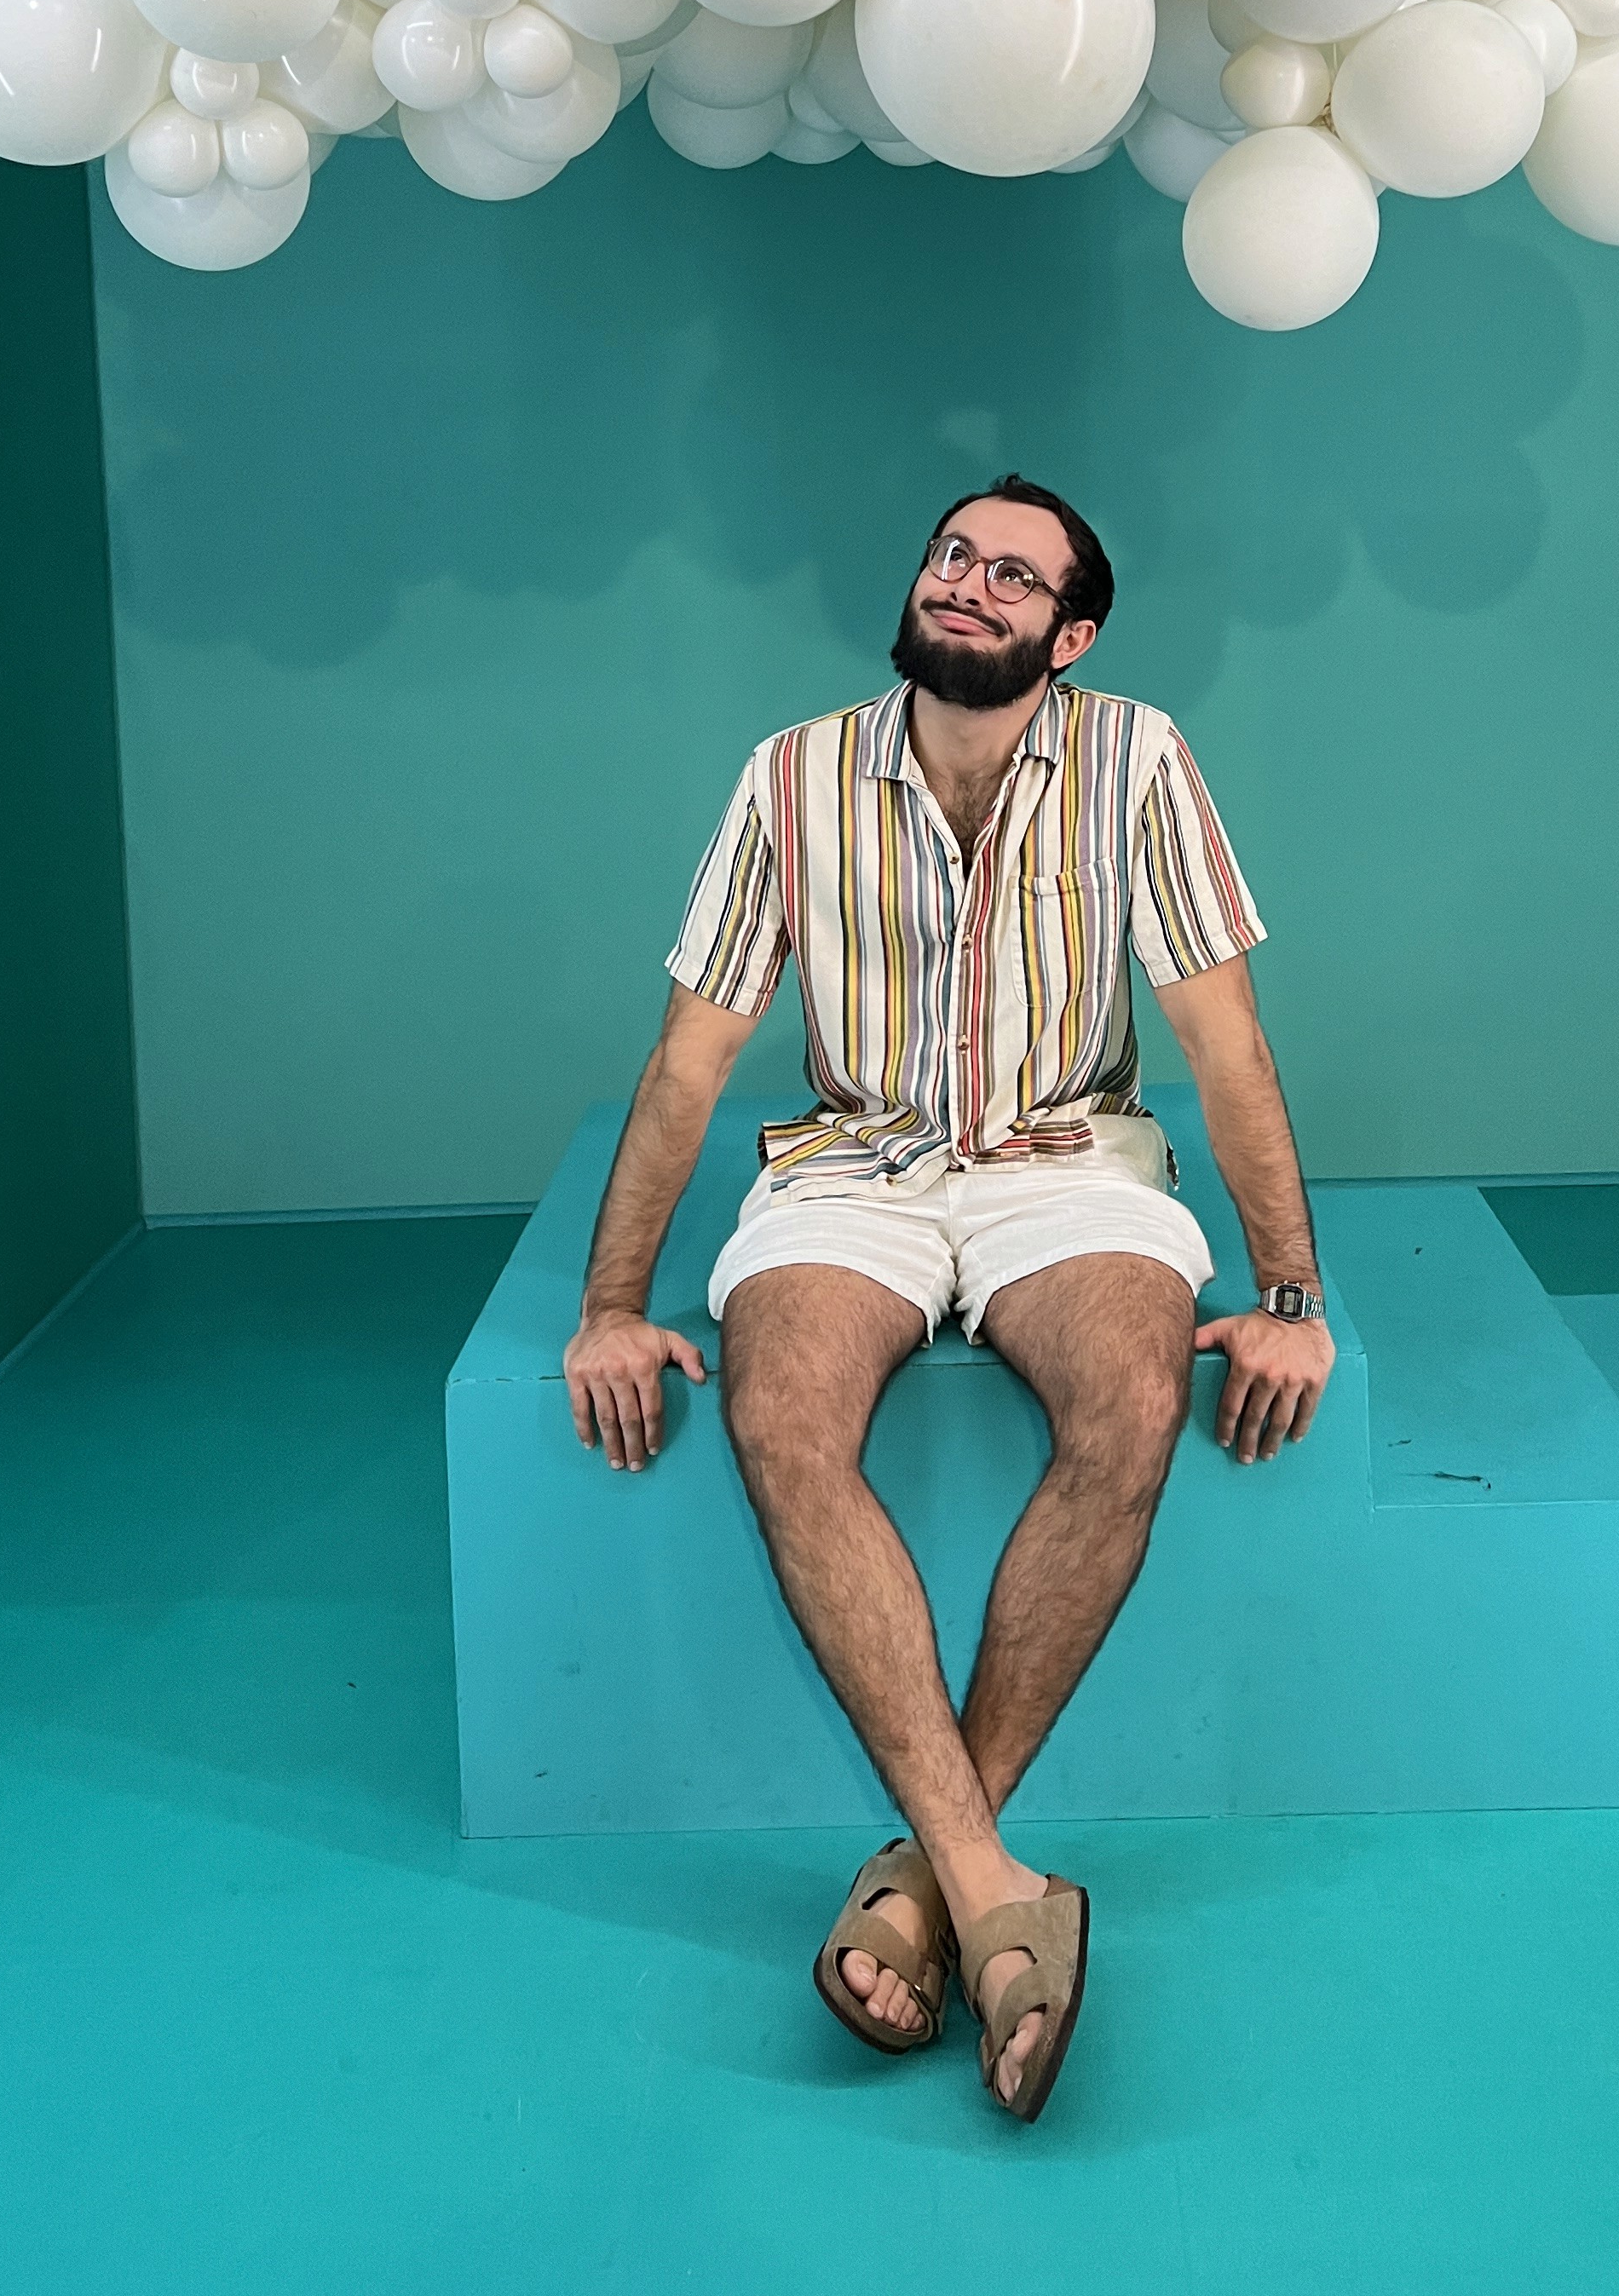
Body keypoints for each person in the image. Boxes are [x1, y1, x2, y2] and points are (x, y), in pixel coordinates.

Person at [562, 477, 1334, 2123]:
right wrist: (611, 1304)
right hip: (857, 1164)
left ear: (1075, 631)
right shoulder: (793, 773)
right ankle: (1001, 1895)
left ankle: (933, 1873)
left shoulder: (1138, 759)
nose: (968, 585)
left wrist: (1290, 1291)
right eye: (952, 557)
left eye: (1013, 575)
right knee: (780, 1416)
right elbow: (694, 1059)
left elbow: (1223, 1046)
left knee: (1130, 1407)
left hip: (1074, 1161)